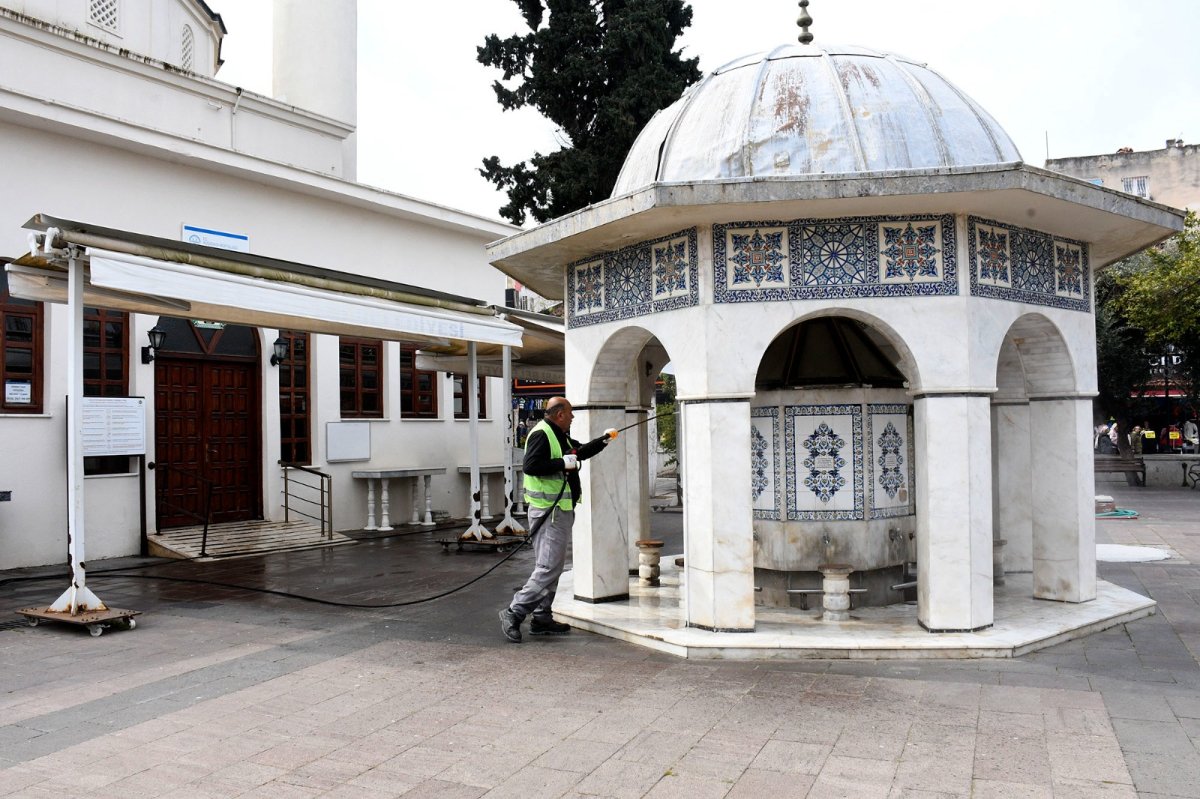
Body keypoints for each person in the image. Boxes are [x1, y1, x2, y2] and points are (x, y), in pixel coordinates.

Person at [499, 397, 616, 643]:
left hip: (558, 510)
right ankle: (514, 612)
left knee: (552, 565)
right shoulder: (542, 434)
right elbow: (531, 466)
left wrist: (603, 440)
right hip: (548, 511)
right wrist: (563, 462)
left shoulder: (558, 434)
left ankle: (542, 618)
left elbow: (578, 452)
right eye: (570, 413)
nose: (572, 417)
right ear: (560, 414)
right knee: (549, 567)